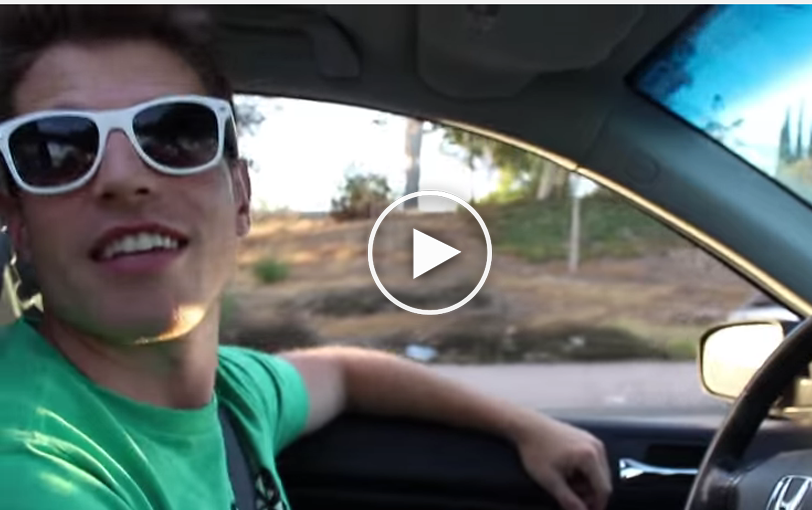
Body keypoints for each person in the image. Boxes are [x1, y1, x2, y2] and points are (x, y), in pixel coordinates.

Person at [0, 5, 612, 510]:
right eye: (56, 151)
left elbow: (343, 373)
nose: (124, 179)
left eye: (175, 134)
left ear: (241, 197)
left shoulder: (231, 393)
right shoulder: (32, 470)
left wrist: (526, 427)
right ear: (19, 224)